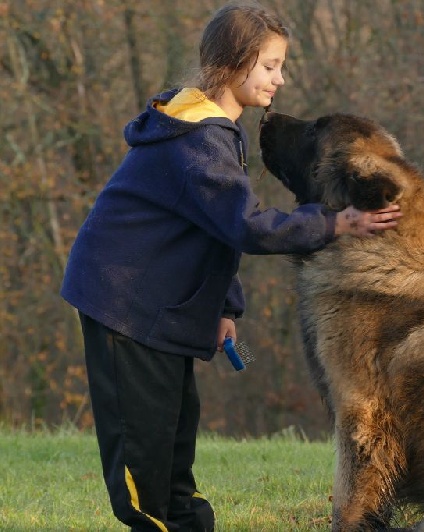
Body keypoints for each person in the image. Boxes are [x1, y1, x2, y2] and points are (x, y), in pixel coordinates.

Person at [60, 3, 401, 530]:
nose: (279, 79)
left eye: (279, 66)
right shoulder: (197, 138)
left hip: (162, 310)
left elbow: (213, 231)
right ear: (235, 63)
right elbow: (247, 225)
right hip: (124, 306)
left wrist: (225, 306)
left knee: (175, 449)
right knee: (143, 479)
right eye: (269, 66)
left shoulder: (217, 130)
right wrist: (338, 223)